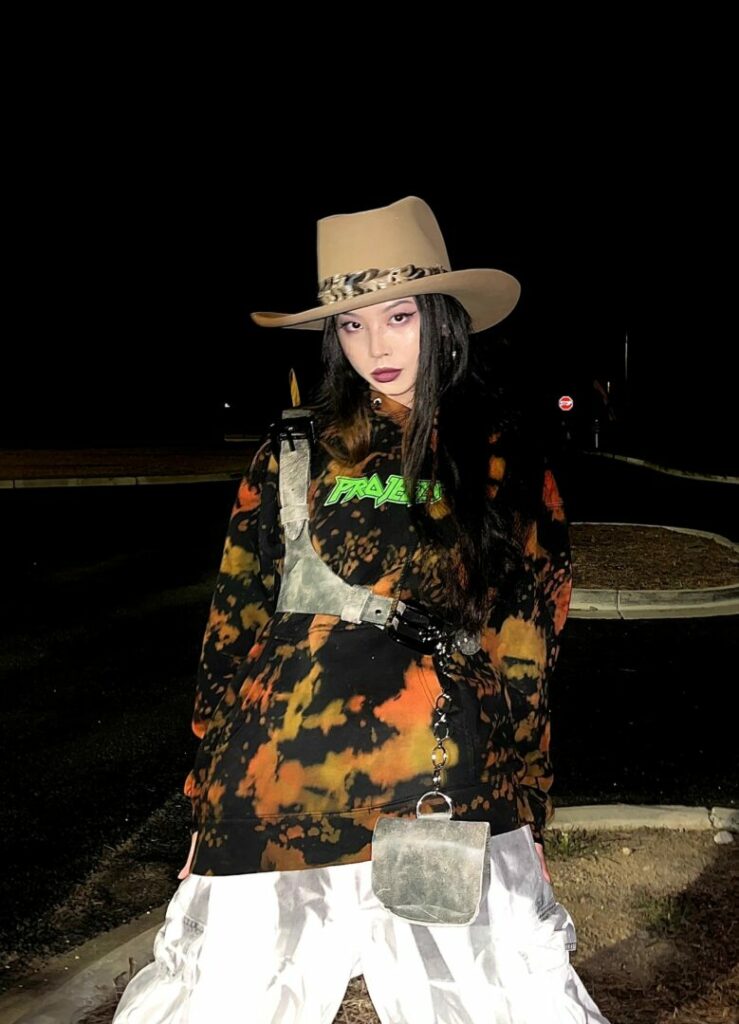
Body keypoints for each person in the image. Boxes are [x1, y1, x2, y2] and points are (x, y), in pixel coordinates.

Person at [112, 196, 611, 1023]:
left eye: (398, 317)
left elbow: (524, 652)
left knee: (488, 1000)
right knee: (231, 1000)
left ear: (441, 317)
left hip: (437, 787)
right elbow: (234, 631)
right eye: (350, 325)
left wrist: (524, 811)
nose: (374, 346)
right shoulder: (292, 452)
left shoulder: (507, 466)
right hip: (277, 785)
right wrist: (206, 801)